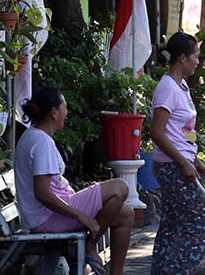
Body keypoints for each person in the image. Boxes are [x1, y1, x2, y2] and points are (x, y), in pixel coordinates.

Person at [16, 87, 133, 275]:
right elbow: (43, 193)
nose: (67, 113)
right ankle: (91, 245)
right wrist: (81, 216)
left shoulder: (33, 136)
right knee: (120, 187)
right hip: (47, 218)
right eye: (65, 108)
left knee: (125, 214)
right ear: (54, 112)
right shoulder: (42, 142)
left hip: (45, 215)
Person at [149, 32, 205, 274]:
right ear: (182, 58)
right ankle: (178, 270)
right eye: (195, 56)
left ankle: (163, 270)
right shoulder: (167, 88)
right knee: (202, 222)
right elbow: (157, 133)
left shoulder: (182, 86)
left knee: (173, 224)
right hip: (171, 166)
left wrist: (194, 159)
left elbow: (181, 131)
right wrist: (182, 163)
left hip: (180, 163)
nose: (198, 61)